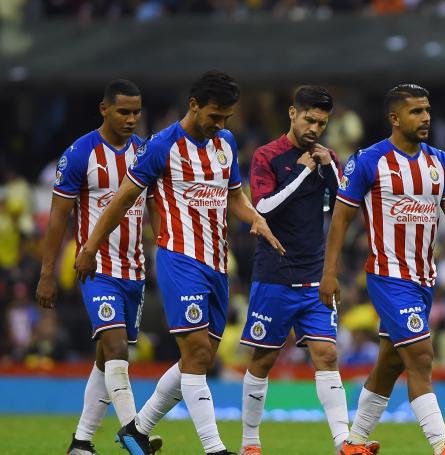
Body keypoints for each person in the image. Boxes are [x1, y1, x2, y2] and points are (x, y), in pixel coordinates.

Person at [75, 70, 284, 455]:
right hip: (179, 259)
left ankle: (136, 430)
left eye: (226, 117)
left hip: (218, 264)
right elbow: (123, 198)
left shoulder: (225, 142)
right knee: (197, 354)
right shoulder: (161, 146)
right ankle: (214, 448)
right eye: (215, 115)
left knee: (198, 359)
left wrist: (255, 217)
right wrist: (90, 247)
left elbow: (234, 196)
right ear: (193, 105)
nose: (220, 124)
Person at [319, 84, 445, 455]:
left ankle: (353, 443)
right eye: (416, 111)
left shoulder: (439, 162)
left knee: (389, 363)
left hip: (423, 279)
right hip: (388, 277)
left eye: (427, 110)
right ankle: (443, 446)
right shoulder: (369, 160)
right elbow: (341, 220)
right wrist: (329, 272)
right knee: (421, 356)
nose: (425, 117)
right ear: (395, 118)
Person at [238, 86, 372, 455]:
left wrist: (328, 166)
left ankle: (344, 442)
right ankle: (250, 443)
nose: (315, 128)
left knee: (327, 355)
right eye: (309, 119)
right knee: (264, 358)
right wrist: (302, 173)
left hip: (314, 275)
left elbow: (346, 204)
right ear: (292, 113)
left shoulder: (325, 158)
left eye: (322, 123)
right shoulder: (266, 156)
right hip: (275, 275)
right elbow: (262, 210)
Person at [35, 79, 162, 455]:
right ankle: (133, 433)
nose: (131, 119)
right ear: (104, 109)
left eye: (136, 112)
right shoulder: (80, 154)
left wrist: (165, 250)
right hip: (96, 269)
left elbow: (155, 206)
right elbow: (57, 219)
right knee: (116, 346)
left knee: (106, 358)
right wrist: (46, 274)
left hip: (134, 270)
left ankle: (81, 443)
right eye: (123, 111)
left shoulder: (144, 151)